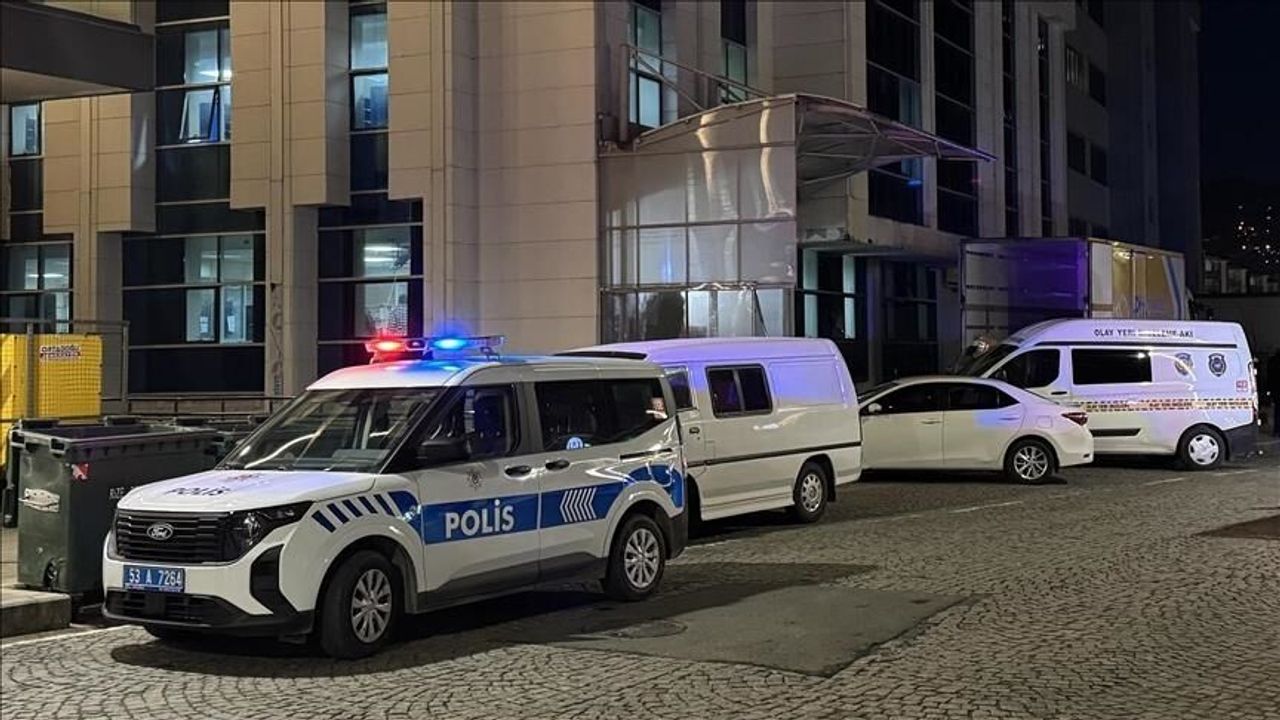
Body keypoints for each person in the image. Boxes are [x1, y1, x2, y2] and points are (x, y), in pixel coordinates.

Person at [1268, 350, 1280, 437]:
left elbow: (1269, 377)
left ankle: (1276, 430)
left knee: (1277, 411)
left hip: (1275, 390)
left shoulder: (1272, 361)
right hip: (1276, 388)